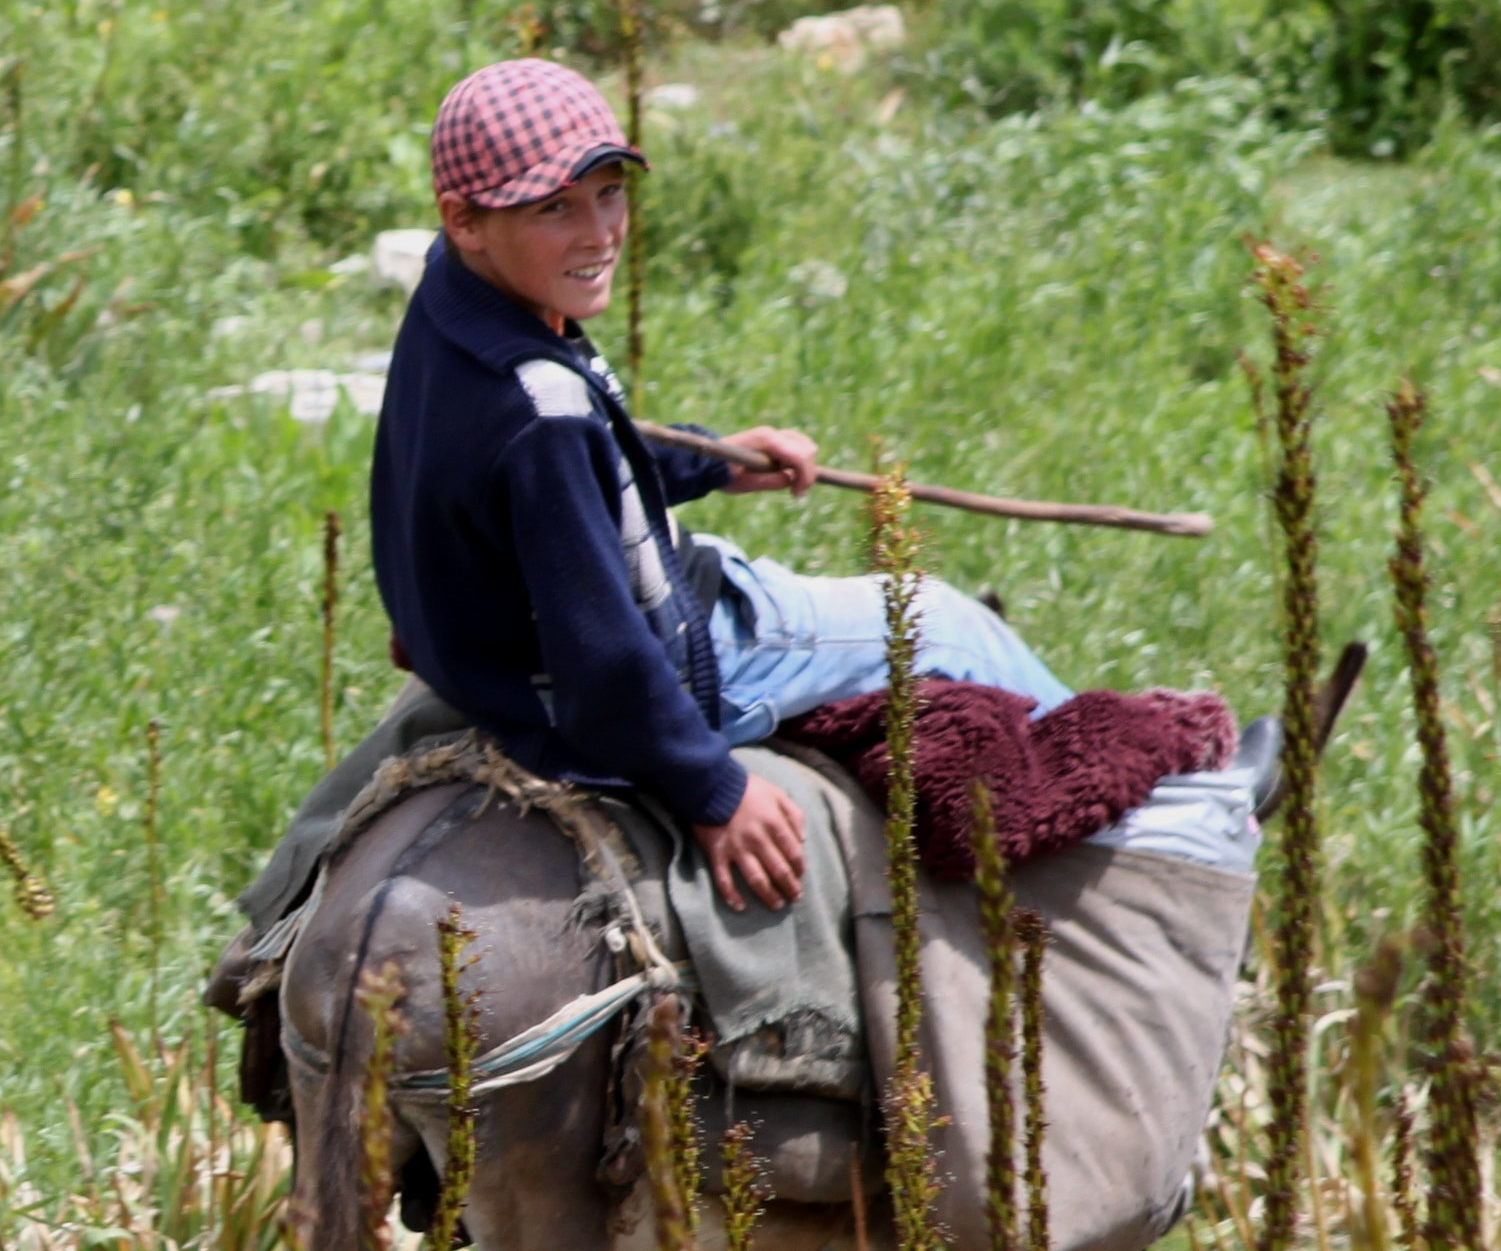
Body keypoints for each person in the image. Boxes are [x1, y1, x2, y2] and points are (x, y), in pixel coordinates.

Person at [385, 56, 1086, 913]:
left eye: (609, 192)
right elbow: (604, 652)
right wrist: (711, 791)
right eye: (553, 208)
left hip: (495, 652)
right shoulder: (545, 413)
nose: (599, 232)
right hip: (687, 656)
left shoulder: (454, 303)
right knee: (949, 623)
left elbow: (568, 479)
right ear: (464, 218)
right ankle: (1148, 824)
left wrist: (711, 459)